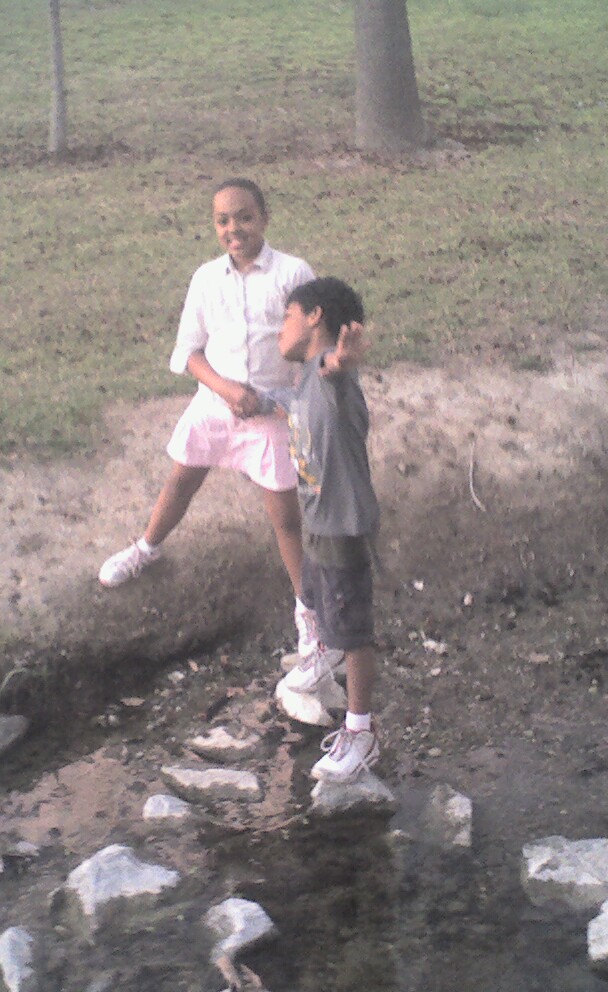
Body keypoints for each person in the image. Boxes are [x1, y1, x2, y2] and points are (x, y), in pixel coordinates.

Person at [97, 178, 322, 659]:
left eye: (244, 217)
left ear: (264, 218)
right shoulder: (205, 279)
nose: (233, 228)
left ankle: (307, 610)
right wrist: (225, 390)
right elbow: (189, 352)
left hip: (272, 412)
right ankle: (146, 549)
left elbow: (311, 343)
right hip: (216, 403)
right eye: (223, 220)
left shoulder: (292, 273)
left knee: (283, 512)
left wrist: (290, 398)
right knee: (181, 480)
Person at [275, 277, 381, 783]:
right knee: (319, 597)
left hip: (343, 527)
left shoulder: (329, 373)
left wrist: (342, 360)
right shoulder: (303, 381)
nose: (282, 328)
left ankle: (360, 732)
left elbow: (334, 370)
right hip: (319, 520)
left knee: (355, 630)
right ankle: (323, 653)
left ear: (315, 316)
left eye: (287, 316)